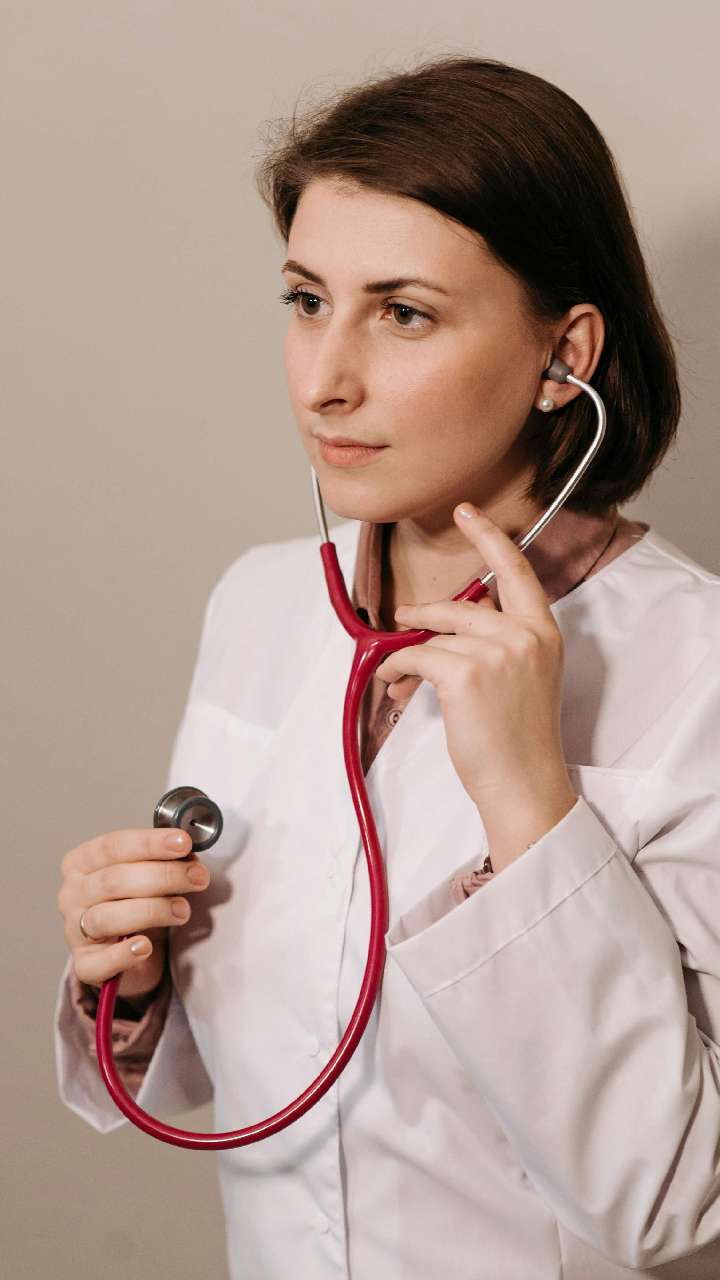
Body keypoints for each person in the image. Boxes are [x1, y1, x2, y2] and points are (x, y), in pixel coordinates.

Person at [54, 55, 720, 1279]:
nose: (325, 380)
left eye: (403, 312)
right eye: (308, 300)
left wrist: (530, 802)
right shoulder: (259, 602)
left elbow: (676, 1197)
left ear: (563, 354)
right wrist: (137, 976)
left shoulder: (697, 667)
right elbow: (271, 1060)